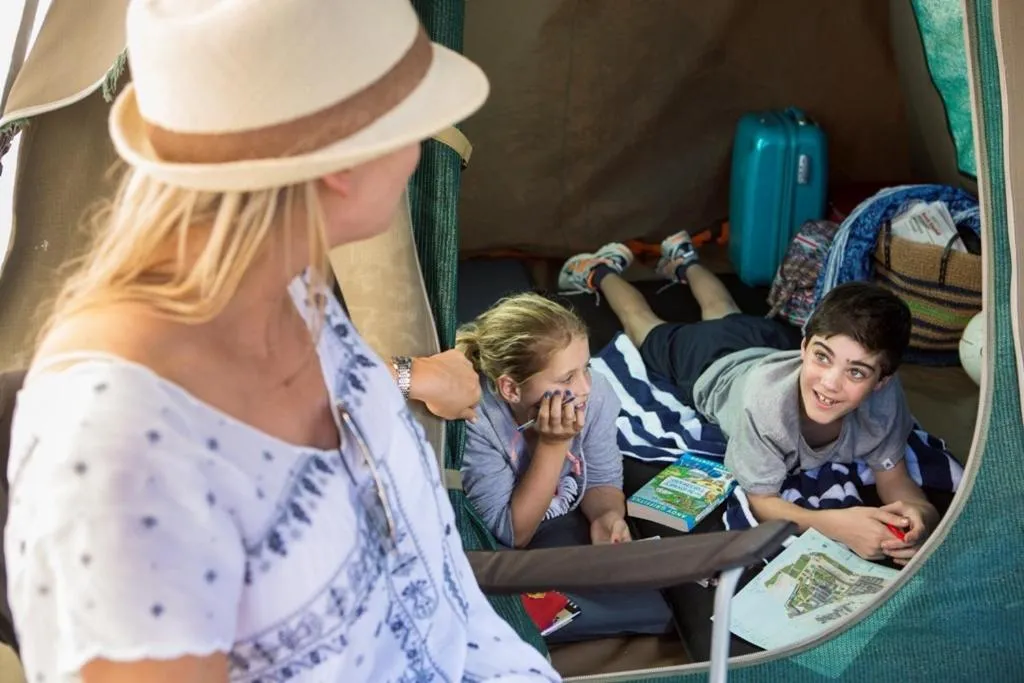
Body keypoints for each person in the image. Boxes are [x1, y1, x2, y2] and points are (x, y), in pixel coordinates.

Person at [2, 2, 561, 682]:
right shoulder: (123, 446)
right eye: (413, 115)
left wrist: (410, 375)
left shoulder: (294, 289)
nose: (423, 144)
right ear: (340, 164)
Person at [557, 232, 940, 566]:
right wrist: (839, 525)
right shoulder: (768, 406)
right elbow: (762, 500)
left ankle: (684, 261)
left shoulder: (886, 401)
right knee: (645, 325)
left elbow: (896, 478)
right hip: (712, 363)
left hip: (768, 344)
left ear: (882, 381)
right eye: (823, 357)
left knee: (725, 312)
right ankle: (600, 270)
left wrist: (920, 514)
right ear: (806, 347)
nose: (831, 384)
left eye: (856, 372)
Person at [456, 292, 673, 642]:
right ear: (510, 388)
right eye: (566, 378)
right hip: (505, 535)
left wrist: (606, 516)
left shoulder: (597, 393)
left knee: (649, 607)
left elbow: (601, 477)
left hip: (557, 520)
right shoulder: (476, 420)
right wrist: (554, 445)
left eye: (585, 367)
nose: (585, 387)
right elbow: (511, 533)